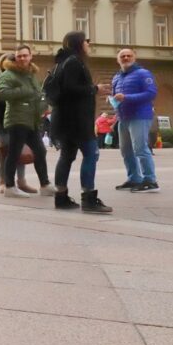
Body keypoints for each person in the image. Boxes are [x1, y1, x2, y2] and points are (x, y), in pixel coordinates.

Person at [50, 31, 113, 213]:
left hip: (65, 119)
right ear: (78, 43)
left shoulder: (61, 62)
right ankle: (89, 199)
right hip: (77, 120)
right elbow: (70, 88)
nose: (88, 44)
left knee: (66, 157)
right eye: (86, 41)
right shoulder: (74, 62)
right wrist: (94, 89)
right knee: (91, 154)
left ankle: (61, 197)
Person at [0, 44, 56, 199]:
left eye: (25, 55)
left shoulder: (31, 74)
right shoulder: (9, 74)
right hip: (17, 119)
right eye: (19, 56)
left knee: (40, 151)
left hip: (31, 119)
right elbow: (1, 93)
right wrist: (24, 91)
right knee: (14, 152)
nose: (22, 58)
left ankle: (45, 185)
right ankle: (9, 187)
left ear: (30, 56)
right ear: (15, 58)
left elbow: (37, 94)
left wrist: (42, 103)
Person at [112, 48, 160, 193]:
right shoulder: (116, 77)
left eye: (129, 55)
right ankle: (134, 178)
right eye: (122, 56)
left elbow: (151, 93)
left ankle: (150, 180)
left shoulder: (143, 73)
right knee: (126, 150)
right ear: (118, 60)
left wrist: (126, 97)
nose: (126, 58)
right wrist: (113, 101)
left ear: (134, 58)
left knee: (140, 149)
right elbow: (117, 97)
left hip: (140, 116)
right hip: (123, 117)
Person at [0, 53, 33, 194]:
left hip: (19, 120)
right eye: (11, 62)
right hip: (2, 121)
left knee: (20, 151)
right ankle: (3, 181)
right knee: (5, 152)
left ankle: (21, 181)